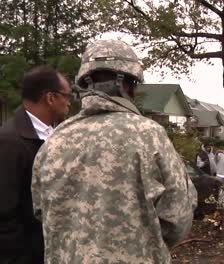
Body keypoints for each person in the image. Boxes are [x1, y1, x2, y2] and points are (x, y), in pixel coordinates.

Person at [31, 39, 197, 263]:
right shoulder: (149, 135)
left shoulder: (53, 141)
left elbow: (41, 212)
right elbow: (178, 217)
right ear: (127, 84)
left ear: (85, 83)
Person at [0, 66, 71, 264]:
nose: (69, 103)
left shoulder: (56, 136)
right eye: (66, 96)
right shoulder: (9, 142)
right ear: (50, 98)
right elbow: (5, 216)